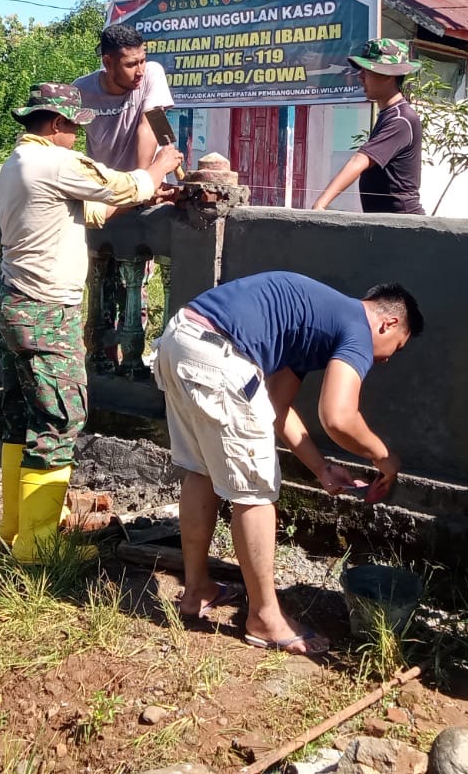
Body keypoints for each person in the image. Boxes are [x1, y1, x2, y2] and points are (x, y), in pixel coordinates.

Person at [151, 271, 423, 654]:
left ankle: (197, 589)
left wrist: (321, 469)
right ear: (388, 322)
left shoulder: (315, 325)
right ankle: (264, 619)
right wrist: (385, 458)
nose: (382, 360)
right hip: (218, 355)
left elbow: (275, 408)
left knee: (202, 471)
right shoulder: (358, 329)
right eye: (392, 348)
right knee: (257, 494)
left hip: (181, 340)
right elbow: (339, 417)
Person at [0, 82, 181, 562]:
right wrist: (157, 168)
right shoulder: (55, 162)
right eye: (74, 130)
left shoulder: (19, 162)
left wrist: (144, 193)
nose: (76, 138)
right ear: (57, 124)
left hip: (18, 303)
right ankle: (38, 549)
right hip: (46, 312)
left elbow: (93, 209)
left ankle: (14, 528)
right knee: (60, 418)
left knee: (25, 416)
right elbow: (118, 183)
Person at [73, 24, 176, 374]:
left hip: (137, 198)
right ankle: (102, 362)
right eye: (131, 64)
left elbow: (152, 126)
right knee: (100, 287)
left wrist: (143, 181)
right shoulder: (81, 91)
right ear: (107, 62)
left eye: (143, 60)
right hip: (102, 198)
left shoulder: (152, 75)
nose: (140, 70)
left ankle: (131, 367)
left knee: (135, 288)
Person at [310, 38, 424, 214]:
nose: (360, 76)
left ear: (388, 75)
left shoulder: (401, 119)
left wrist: (319, 206)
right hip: (385, 225)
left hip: (403, 226)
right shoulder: (389, 114)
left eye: (367, 71)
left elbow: (360, 160)